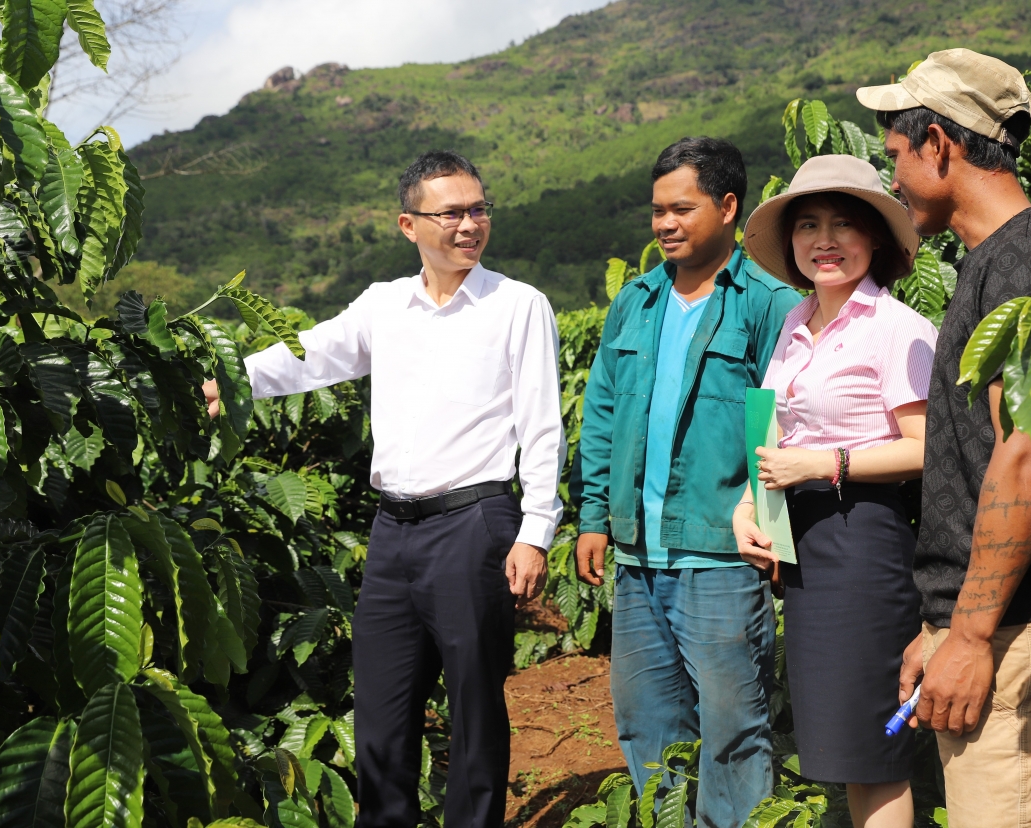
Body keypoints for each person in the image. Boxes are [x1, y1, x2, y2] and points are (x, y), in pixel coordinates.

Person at [204, 150, 565, 828]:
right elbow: (312, 353)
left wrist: (534, 531)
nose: (470, 224)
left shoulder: (518, 306)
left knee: (475, 708)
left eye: (479, 209)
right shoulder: (383, 306)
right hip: (394, 532)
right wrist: (234, 377)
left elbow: (544, 427)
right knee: (381, 711)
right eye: (452, 212)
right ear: (409, 224)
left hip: (475, 521)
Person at [855, 49, 1031, 827]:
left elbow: (1025, 454)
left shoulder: (1026, 265)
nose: (894, 178)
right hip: (991, 632)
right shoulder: (991, 263)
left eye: (897, 155)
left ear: (939, 144)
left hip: (1021, 641)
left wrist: (968, 637)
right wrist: (942, 627)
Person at [570, 136, 801, 828]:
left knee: (733, 736)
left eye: (682, 208)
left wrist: (774, 531)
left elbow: (785, 423)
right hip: (639, 560)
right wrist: (592, 516)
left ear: (729, 207)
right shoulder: (636, 303)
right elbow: (604, 409)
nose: (665, 224)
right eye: (656, 212)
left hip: (721, 560)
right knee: (648, 729)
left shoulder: (767, 304)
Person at [733, 154, 935, 828]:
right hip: (810, 547)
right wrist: (746, 512)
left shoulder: (895, 328)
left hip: (863, 544)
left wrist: (825, 465)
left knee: (872, 753)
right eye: (808, 225)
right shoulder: (794, 325)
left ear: (875, 236)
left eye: (843, 224)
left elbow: (927, 448)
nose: (825, 240)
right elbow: (774, 438)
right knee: (843, 749)